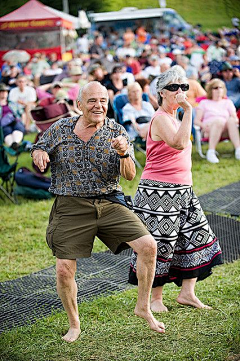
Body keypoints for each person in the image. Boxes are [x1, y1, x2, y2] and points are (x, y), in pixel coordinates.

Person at [31, 81, 165, 342]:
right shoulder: (61, 128)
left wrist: (125, 153)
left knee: (148, 245)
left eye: (103, 100)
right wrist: (38, 153)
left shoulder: (117, 130)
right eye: (92, 100)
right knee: (63, 269)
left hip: (108, 202)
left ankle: (143, 306)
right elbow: (40, 146)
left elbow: (129, 176)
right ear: (79, 105)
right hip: (70, 205)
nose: (98, 105)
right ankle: (74, 324)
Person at [128, 66, 223, 312]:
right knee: (161, 244)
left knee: (196, 237)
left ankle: (187, 293)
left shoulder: (174, 117)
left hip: (183, 190)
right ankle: (155, 300)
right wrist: (189, 109)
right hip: (159, 192)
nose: (179, 91)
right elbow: (179, 143)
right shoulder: (160, 118)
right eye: (173, 87)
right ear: (162, 92)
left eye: (184, 87)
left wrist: (184, 112)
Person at [194, 78, 240, 163]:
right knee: (218, 121)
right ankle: (211, 152)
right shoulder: (204, 103)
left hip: (226, 129)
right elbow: (196, 121)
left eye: (221, 87)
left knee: (231, 120)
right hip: (209, 129)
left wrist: (234, 120)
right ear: (210, 90)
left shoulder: (228, 102)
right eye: (215, 88)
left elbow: (235, 118)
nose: (218, 90)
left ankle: (238, 150)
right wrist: (203, 126)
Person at [0, 83, 25, 149]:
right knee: (7, 131)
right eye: (2, 91)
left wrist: (23, 121)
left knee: (18, 128)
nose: (4, 93)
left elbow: (22, 112)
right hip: (3, 125)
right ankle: (13, 145)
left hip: (15, 121)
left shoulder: (12, 103)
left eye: (5, 91)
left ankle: (15, 143)